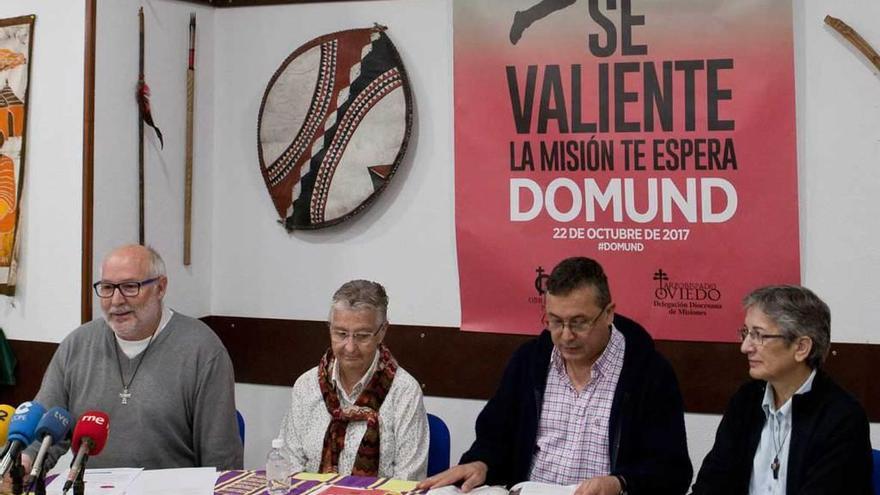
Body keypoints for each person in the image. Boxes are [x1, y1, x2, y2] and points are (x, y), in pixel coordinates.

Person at [420, 257, 692, 495]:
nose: (565, 335)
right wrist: (481, 463)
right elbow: (494, 438)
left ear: (608, 313)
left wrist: (620, 483)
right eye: (555, 321)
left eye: (579, 322)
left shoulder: (648, 373)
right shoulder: (529, 362)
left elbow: (672, 472)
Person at [22, 244, 243, 470]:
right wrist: (25, 462)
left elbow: (221, 457)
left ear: (160, 287)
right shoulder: (77, 345)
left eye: (129, 287)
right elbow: (45, 430)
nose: (116, 300)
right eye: (107, 287)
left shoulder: (202, 349)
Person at [691, 285, 872, 494]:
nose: (745, 347)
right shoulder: (746, 400)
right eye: (746, 333)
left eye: (759, 335)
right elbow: (712, 485)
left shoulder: (842, 418)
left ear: (801, 347)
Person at [277, 280, 428, 480]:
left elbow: (408, 482)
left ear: (382, 332)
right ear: (329, 328)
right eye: (340, 334)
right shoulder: (307, 385)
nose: (349, 347)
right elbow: (288, 466)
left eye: (362, 336)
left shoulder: (404, 392)